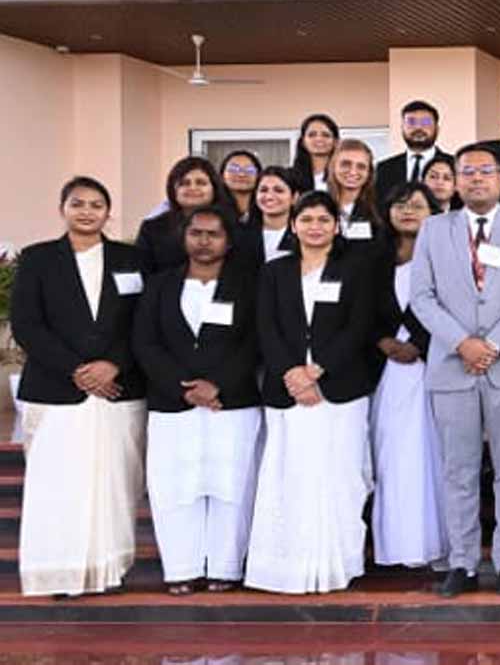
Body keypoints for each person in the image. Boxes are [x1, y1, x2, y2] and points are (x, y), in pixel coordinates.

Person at [410, 144, 500, 597]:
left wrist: (494, 345)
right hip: (452, 366)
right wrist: (463, 343)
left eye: (485, 171)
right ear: (454, 180)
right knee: (459, 470)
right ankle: (463, 562)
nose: (476, 179)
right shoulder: (434, 229)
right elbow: (422, 297)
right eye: (466, 171)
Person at [13, 176, 147, 596]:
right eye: (78, 203)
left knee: (114, 485)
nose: (87, 212)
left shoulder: (131, 259)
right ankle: (59, 573)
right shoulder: (37, 259)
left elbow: (143, 321)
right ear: (63, 209)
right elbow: (27, 325)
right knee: (58, 486)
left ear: (108, 213)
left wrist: (114, 364)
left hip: (118, 390)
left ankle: (109, 570)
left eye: (96, 205)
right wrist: (77, 370)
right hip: (56, 390)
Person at [245, 191, 376, 593]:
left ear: (336, 226)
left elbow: (359, 326)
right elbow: (266, 327)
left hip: (339, 390)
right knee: (288, 476)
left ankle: (337, 565)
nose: (315, 227)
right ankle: (284, 568)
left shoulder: (356, 268)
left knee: (341, 476)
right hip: (287, 392)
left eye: (323, 219)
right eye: (306, 219)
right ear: (293, 225)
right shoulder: (275, 271)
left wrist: (317, 371)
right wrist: (292, 373)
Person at [133, 205, 261, 595]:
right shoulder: (160, 285)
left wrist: (218, 385)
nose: (204, 241)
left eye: (213, 234)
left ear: (228, 241)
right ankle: (181, 569)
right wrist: (183, 387)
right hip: (173, 404)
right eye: (196, 233)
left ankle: (225, 567)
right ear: (183, 238)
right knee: (174, 487)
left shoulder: (248, 285)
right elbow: (145, 342)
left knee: (232, 485)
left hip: (231, 403)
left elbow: (255, 342)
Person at [370, 182, 448, 568]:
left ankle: (432, 545)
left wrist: (418, 343)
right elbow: (358, 308)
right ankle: (395, 545)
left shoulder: (447, 258)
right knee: (391, 456)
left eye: (417, 205)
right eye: (400, 204)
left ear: (434, 213)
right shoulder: (373, 257)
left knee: (430, 457)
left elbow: (455, 308)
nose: (408, 211)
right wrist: (383, 341)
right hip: (385, 371)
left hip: (432, 366)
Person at [137, 157, 233, 275]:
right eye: (184, 183)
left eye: (201, 183)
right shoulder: (152, 229)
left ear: (214, 188)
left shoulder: (231, 225)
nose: (193, 188)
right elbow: (142, 273)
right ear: (173, 190)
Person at [375, 100, 453, 202]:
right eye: (411, 122)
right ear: (402, 128)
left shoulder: (455, 165)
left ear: (437, 129)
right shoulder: (384, 168)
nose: (418, 128)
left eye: (426, 122)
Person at [236, 166, 300, 267]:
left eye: (279, 190)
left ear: (294, 197)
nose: (269, 196)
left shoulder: (303, 235)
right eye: (263, 190)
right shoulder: (239, 234)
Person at [327, 139, 384, 242]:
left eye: (361, 167)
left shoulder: (379, 210)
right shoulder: (320, 205)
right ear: (333, 167)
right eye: (346, 164)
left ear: (369, 172)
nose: (353, 172)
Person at [290, 113, 339, 192]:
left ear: (335, 142)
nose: (319, 139)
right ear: (303, 141)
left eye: (326, 135)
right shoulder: (291, 177)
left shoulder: (343, 175)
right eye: (312, 135)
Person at [220, 149, 263, 219]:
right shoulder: (211, 212)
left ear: (259, 175)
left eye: (249, 170)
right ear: (222, 175)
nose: (241, 174)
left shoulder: (266, 211)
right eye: (233, 169)